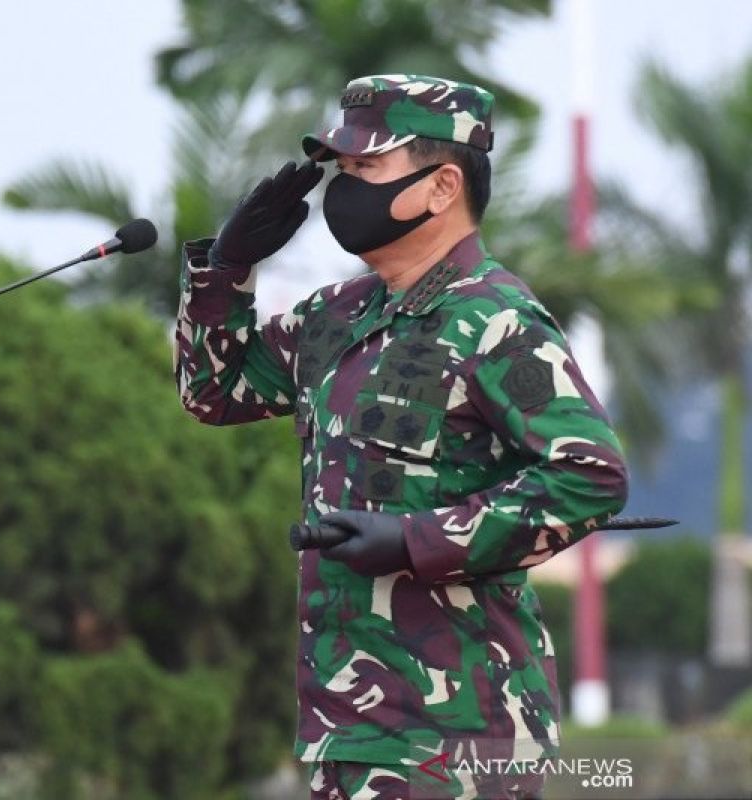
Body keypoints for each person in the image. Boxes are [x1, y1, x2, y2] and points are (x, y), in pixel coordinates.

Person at [173, 75, 629, 800]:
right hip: (345, 723)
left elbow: (588, 476)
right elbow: (212, 393)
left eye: (367, 169)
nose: (343, 190)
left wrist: (418, 540)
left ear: (442, 186)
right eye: (342, 170)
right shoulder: (335, 317)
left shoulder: (495, 321)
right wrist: (225, 273)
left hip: (458, 734)